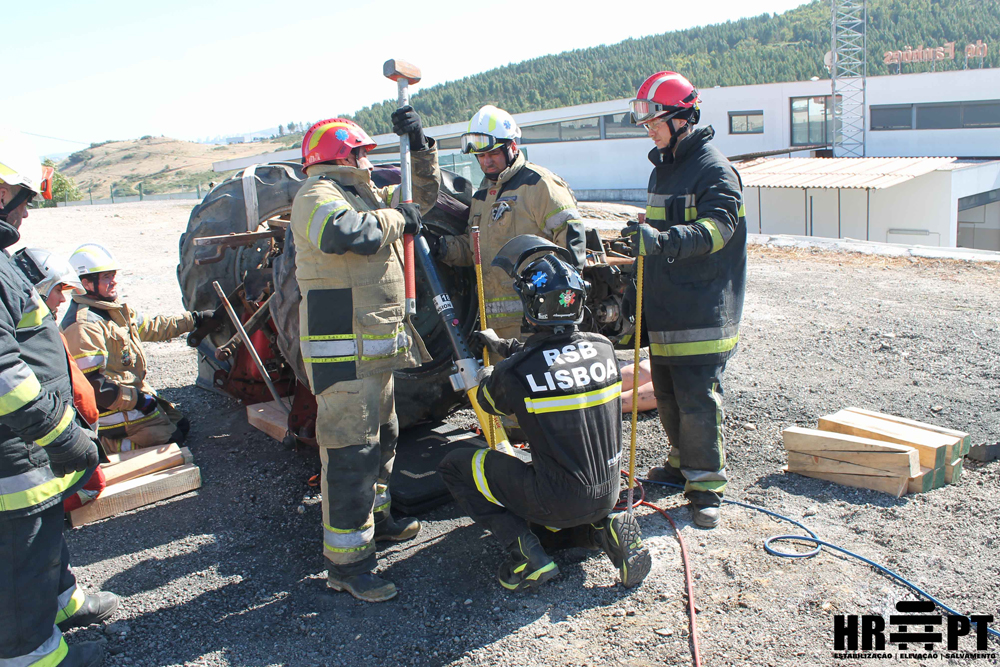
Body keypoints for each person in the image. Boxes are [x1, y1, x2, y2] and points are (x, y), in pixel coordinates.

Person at [438, 236, 651, 591]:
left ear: (530, 306)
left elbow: (490, 402)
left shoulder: (516, 371)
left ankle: (527, 556)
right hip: (608, 492)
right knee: (571, 478)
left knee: (456, 465)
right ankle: (605, 529)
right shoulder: (603, 349)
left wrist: (496, 368)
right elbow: (558, 356)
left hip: (557, 499)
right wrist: (510, 350)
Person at [290, 118, 438, 603]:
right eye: (362, 153)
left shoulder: (365, 193)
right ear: (342, 156)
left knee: (384, 439)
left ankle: (378, 521)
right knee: (351, 456)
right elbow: (347, 235)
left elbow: (421, 201)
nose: (369, 160)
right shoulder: (317, 196)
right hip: (342, 357)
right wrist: (400, 219)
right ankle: (347, 564)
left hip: (371, 354)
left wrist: (421, 149)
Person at [0, 129, 115, 667]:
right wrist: (62, 434)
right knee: (20, 556)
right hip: (15, 450)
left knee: (44, 534)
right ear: (2, 192)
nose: (27, 214)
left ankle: (63, 600)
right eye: (25, 199)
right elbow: (4, 374)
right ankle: (37, 656)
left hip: (28, 444)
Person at [623, 71, 747, 529]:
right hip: (668, 306)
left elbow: (719, 228)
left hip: (702, 308)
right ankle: (680, 465)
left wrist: (663, 241)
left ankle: (706, 485)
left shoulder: (714, 170)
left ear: (681, 119)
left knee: (698, 399)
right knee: (670, 395)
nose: (648, 129)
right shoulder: (665, 167)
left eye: (654, 120)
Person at [394, 104, 587, 341]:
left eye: (493, 154)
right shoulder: (482, 197)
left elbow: (571, 240)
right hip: (493, 328)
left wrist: (562, 305)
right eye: (481, 156)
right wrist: (440, 247)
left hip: (537, 324)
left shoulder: (540, 185)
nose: (486, 162)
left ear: (512, 147)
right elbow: (473, 248)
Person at [61, 243, 217, 454]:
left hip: (125, 396)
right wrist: (138, 401)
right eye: (106, 277)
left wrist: (194, 320)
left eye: (113, 275)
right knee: (173, 440)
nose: (114, 281)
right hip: (110, 409)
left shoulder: (112, 310)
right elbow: (94, 387)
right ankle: (104, 445)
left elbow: (153, 327)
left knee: (181, 426)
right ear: (86, 283)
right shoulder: (84, 326)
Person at [12, 248, 105, 512]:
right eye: (57, 291)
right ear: (37, 291)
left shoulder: (43, 332)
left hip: (71, 435)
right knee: (89, 487)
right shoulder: (34, 341)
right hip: (59, 442)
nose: (62, 300)